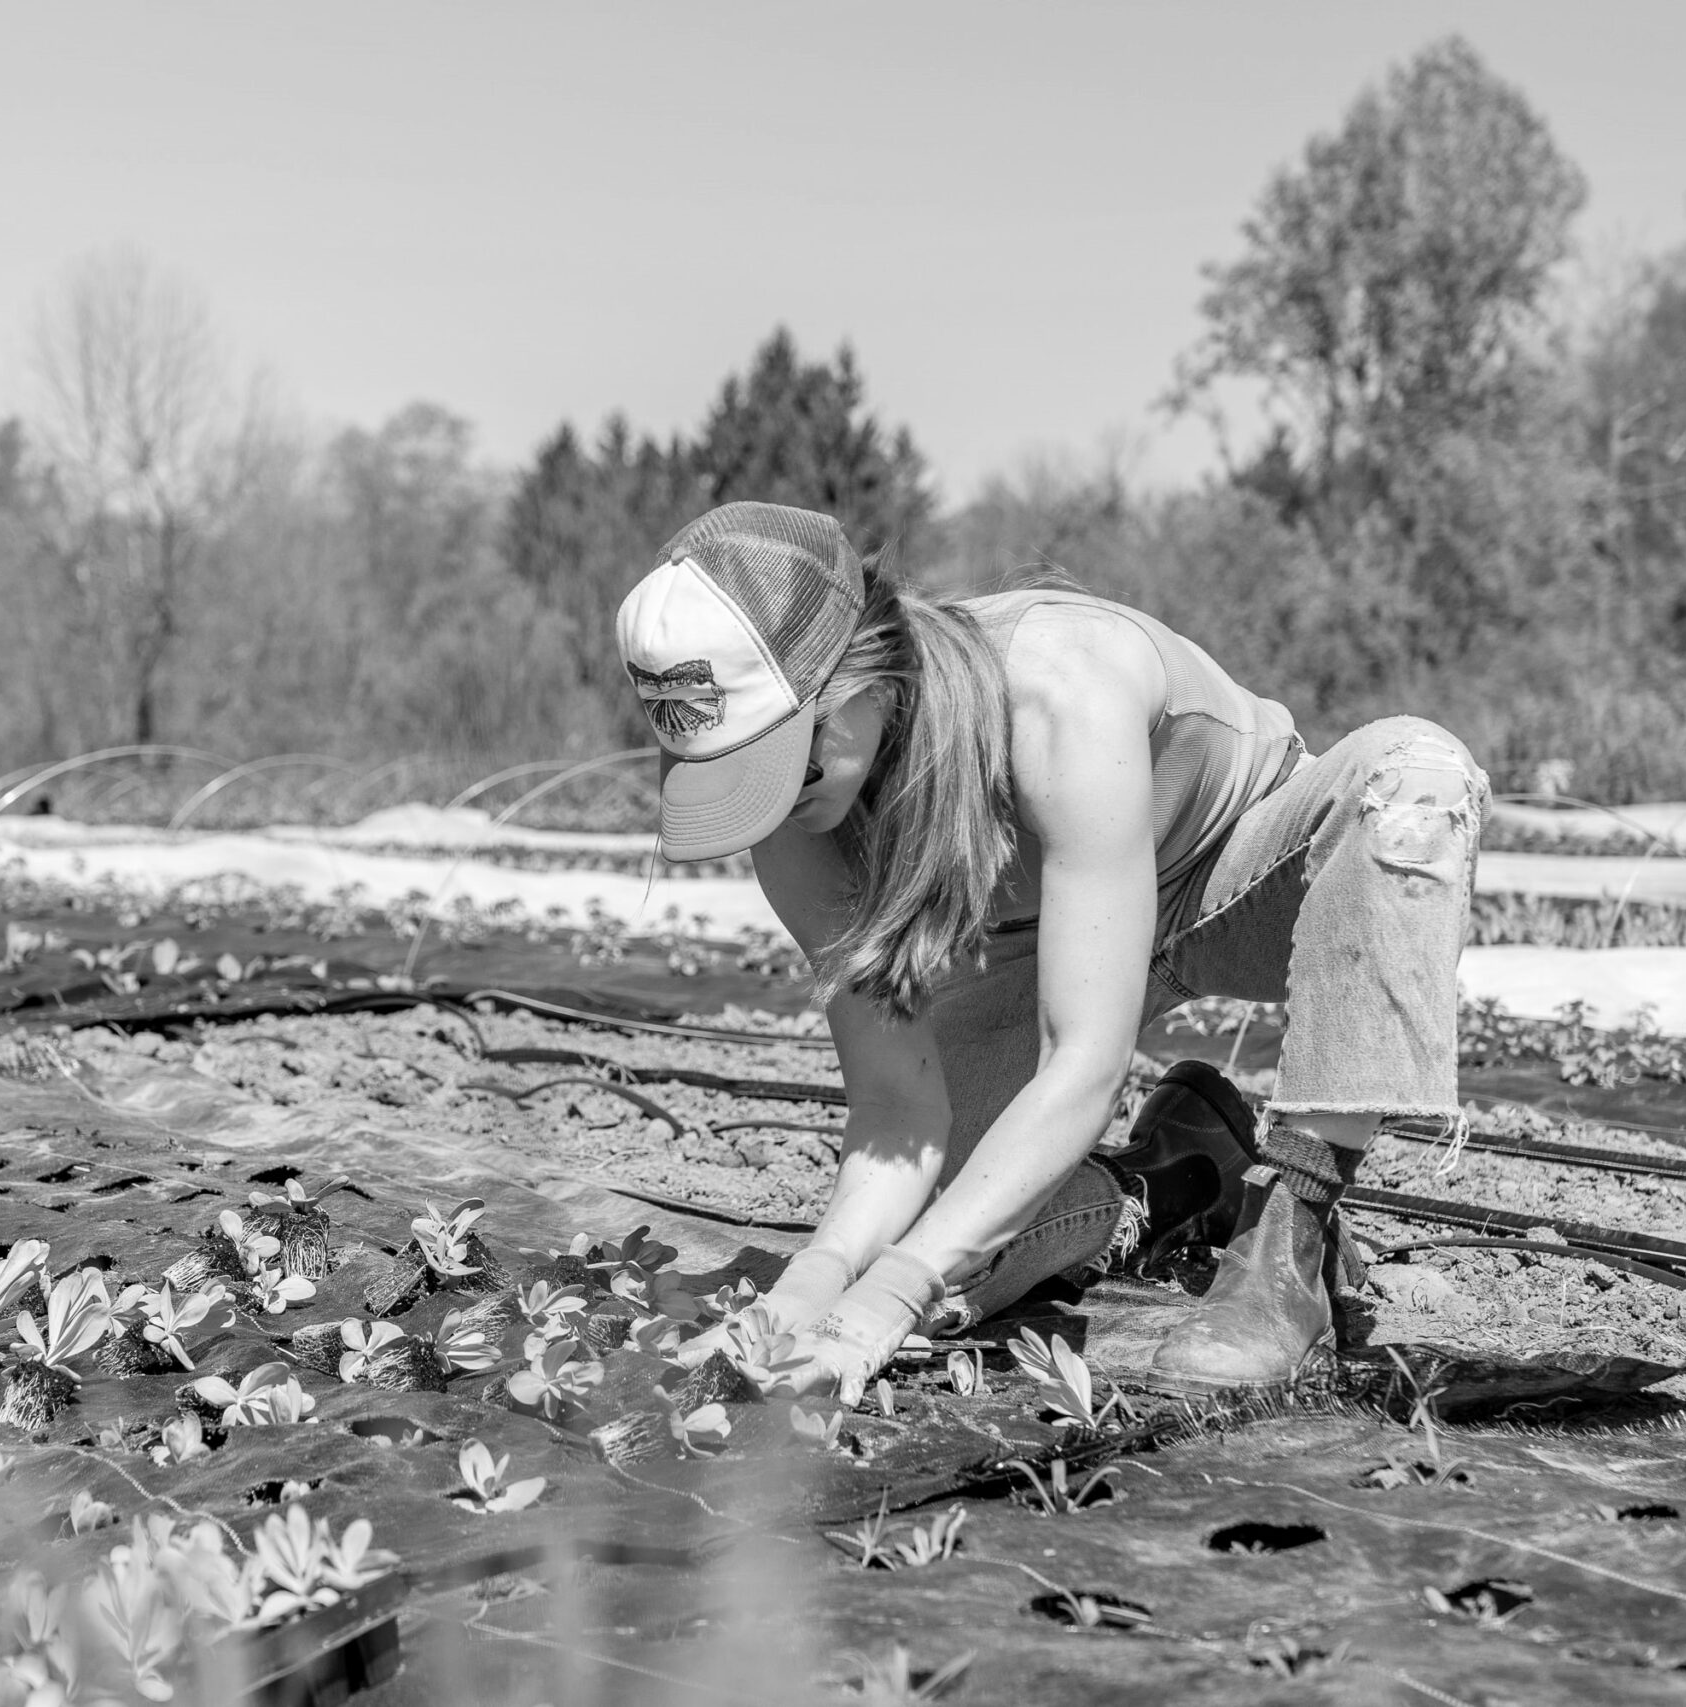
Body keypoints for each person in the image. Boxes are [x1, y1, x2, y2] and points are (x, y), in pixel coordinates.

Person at [618, 502, 1486, 1400]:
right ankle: (1171, 1179)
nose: (772, 805)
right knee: (947, 1214)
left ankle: (1290, 1233)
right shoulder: (794, 820)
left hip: (1236, 876)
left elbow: (1084, 1062)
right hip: (1049, 941)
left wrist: (899, 1290)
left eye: (784, 763)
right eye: (734, 779)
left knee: (1414, 777)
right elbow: (895, 1108)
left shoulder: (1054, 691)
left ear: (860, 678)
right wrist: (823, 1274)